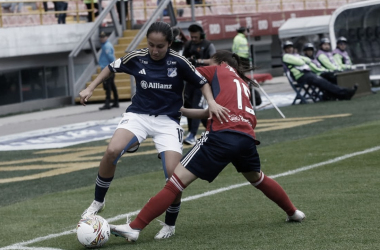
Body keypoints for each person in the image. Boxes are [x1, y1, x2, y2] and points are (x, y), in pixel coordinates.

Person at [108, 50, 306, 242]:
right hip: (245, 137)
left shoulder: (219, 69)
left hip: (221, 136)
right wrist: (182, 110)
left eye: (210, 62)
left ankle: (134, 227)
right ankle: (293, 211)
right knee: (258, 178)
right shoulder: (241, 81)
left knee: (175, 182)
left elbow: (184, 70)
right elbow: (209, 112)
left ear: (219, 63)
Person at [79, 21, 228, 240]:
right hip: (138, 116)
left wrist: (211, 102)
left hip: (168, 121)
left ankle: (169, 225)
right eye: (151, 45)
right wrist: (90, 88)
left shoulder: (179, 61)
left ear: (169, 44)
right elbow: (111, 68)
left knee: (173, 174)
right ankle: (98, 202)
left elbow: (202, 81)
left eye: (160, 46)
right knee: (112, 151)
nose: (155, 51)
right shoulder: (136, 57)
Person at [282, 41, 357, 100]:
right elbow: (301, 62)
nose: (289, 49)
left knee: (325, 81)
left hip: (307, 74)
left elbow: (308, 61)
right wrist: (303, 60)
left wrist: (303, 60)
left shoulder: (296, 56)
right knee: (323, 81)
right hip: (301, 76)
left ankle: (340, 94)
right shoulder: (286, 56)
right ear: (284, 49)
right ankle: (345, 93)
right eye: (287, 48)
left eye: (290, 47)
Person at [182, 23, 216, 145]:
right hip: (189, 80)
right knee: (189, 105)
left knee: (196, 106)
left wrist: (198, 61)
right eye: (192, 37)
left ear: (201, 35)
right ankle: (210, 130)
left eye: (196, 37)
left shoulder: (208, 45)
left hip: (203, 81)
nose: (194, 39)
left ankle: (192, 134)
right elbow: (183, 58)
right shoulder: (189, 44)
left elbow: (214, 61)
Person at [98, 31, 119, 110]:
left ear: (106, 37)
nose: (101, 39)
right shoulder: (105, 45)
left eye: (103, 37)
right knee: (112, 86)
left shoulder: (106, 46)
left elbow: (110, 58)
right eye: (101, 37)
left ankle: (107, 103)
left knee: (108, 86)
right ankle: (116, 102)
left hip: (107, 69)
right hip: (108, 68)